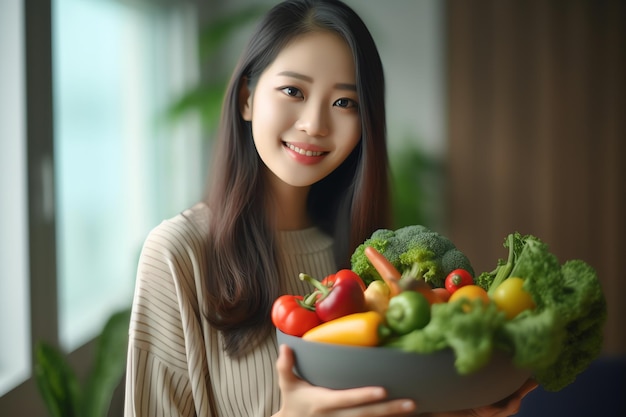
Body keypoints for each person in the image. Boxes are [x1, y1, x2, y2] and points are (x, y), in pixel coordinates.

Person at [124, 1, 538, 416]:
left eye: (345, 103)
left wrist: (458, 409)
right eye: (293, 91)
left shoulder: (371, 257)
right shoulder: (178, 255)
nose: (315, 124)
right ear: (247, 98)